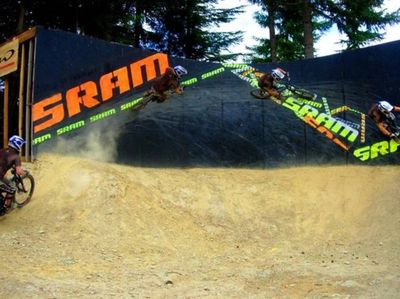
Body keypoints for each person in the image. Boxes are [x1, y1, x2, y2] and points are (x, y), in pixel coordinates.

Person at [0, 135, 26, 215]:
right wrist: (23, 172)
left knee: (6, 181)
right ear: (18, 145)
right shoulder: (16, 157)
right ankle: (8, 207)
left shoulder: (2, 150)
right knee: (12, 188)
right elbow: (18, 171)